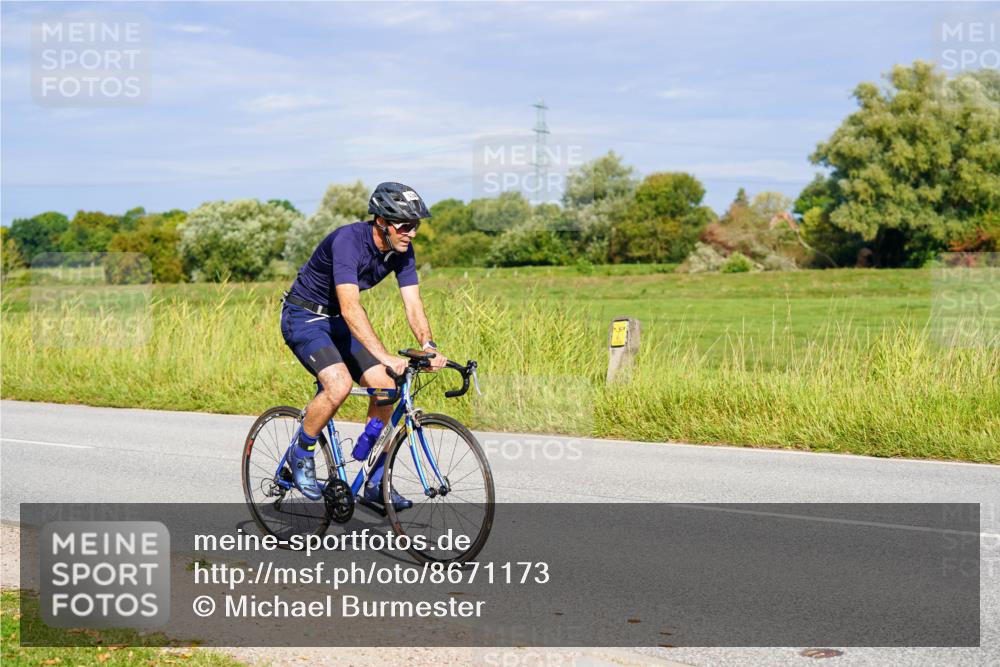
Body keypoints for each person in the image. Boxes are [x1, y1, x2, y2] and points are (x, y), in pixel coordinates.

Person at [279, 182, 447, 510]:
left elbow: (413, 303)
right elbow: (350, 307)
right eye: (405, 226)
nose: (412, 233)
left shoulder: (402, 250)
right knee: (338, 384)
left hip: (338, 323)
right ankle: (301, 453)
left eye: (416, 226)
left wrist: (428, 345)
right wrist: (384, 355)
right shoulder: (348, 241)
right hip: (305, 317)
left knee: (386, 385)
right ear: (382, 222)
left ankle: (373, 480)